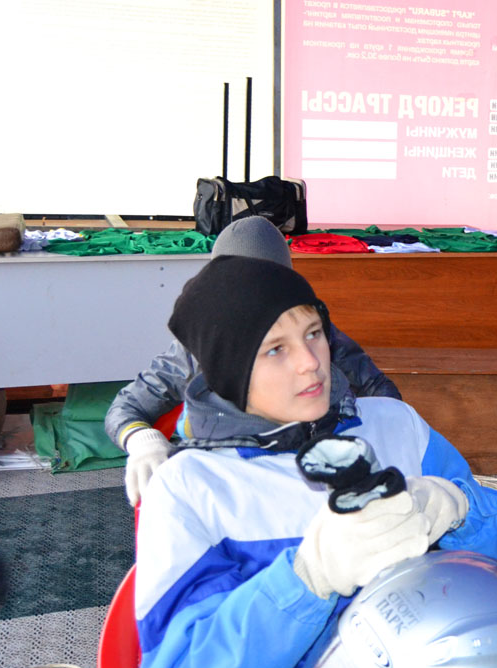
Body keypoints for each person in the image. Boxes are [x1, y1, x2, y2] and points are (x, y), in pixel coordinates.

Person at [133, 255, 497, 668]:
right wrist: (309, 578)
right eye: (276, 349)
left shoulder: (398, 424)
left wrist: (461, 509)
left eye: (313, 333)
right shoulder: (189, 487)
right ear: (230, 372)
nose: (310, 362)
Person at [105, 215, 401, 505]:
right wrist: (143, 441)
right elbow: (127, 407)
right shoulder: (194, 348)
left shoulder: (318, 337)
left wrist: (379, 433)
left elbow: (378, 388)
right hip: (232, 483)